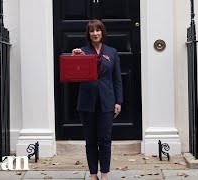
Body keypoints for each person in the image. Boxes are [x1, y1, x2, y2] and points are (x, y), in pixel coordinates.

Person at [71, 19, 123, 180]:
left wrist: (118, 101)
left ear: (102, 32)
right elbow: (73, 76)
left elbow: (117, 79)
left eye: (98, 30)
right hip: (87, 102)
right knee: (90, 140)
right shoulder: (82, 51)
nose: (95, 33)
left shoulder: (112, 52)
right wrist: (75, 59)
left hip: (107, 101)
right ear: (88, 34)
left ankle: (104, 174)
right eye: (92, 31)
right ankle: (93, 174)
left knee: (105, 139)